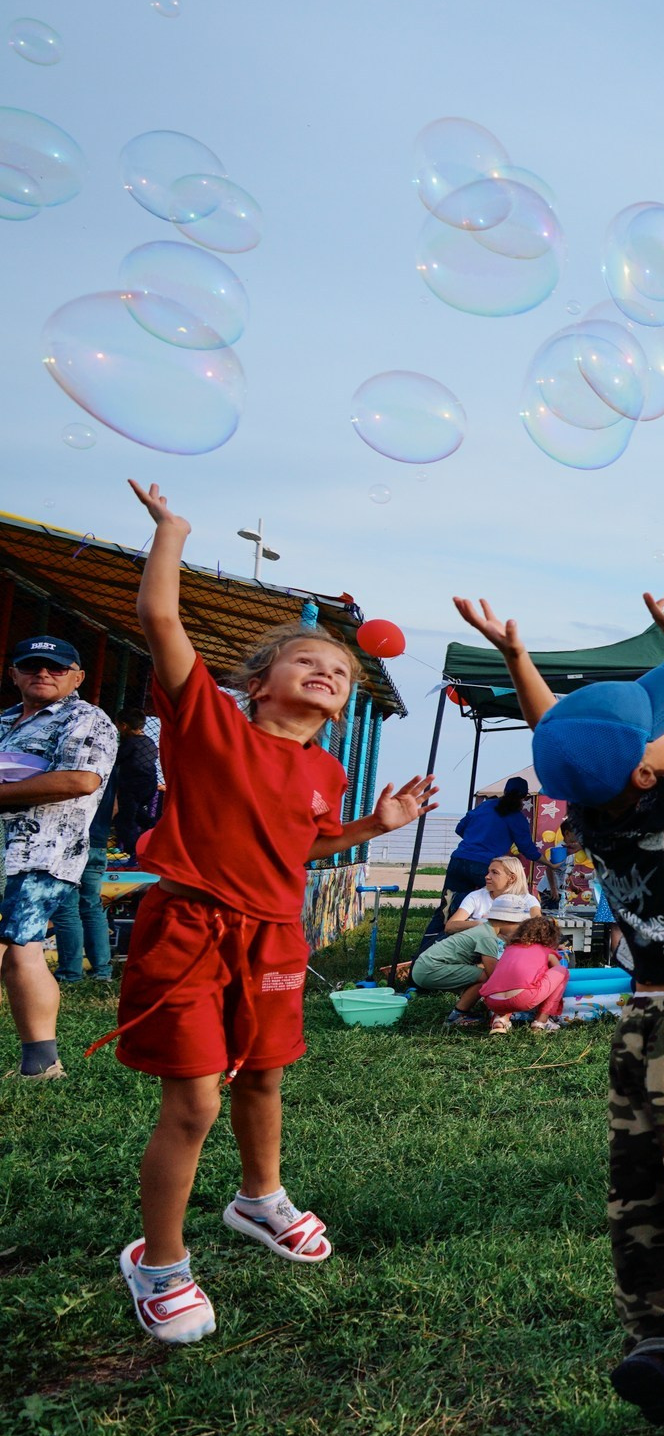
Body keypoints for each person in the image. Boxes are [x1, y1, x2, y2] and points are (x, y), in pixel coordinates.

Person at [458, 584, 664, 1436]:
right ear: (646, 765)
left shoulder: (597, 812)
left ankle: (656, 1339)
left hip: (638, 1029)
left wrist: (517, 660)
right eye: (658, 726)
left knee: (641, 1194)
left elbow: (567, 745)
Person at [112, 482, 435, 1345]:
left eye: (342, 673)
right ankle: (159, 1263)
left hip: (274, 937)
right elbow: (162, 623)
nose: (330, 671)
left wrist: (373, 825)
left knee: (262, 1074)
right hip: (190, 929)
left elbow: (306, 844)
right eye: (310, 661)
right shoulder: (206, 724)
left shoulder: (327, 773)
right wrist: (173, 535)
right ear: (259, 683)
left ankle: (260, 1200)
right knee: (194, 1104)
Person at [3, 634, 118, 1078]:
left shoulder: (86, 719)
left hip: (41, 853)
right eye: (31, 666)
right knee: (23, 952)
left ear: (78, 677)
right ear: (14, 674)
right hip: (5, 852)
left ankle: (42, 1062)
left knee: (13, 946)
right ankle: (41, 1063)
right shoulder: (8, 721)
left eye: (56, 668)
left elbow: (81, 781)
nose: (43, 674)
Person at [50, 703, 153, 985]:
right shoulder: (110, 767)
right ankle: (102, 972)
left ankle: (70, 973)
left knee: (66, 907)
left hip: (68, 841)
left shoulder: (67, 765)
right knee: (92, 905)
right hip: (96, 841)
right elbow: (117, 809)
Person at [412, 890, 542, 1019]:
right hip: (429, 968)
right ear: (506, 921)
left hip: (425, 966)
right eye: (518, 925)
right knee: (486, 977)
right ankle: (459, 1015)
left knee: (480, 975)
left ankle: (465, 1009)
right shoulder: (487, 937)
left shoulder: (486, 929)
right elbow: (494, 974)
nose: (519, 930)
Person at [445, 776, 542, 922]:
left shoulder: (485, 805)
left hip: (458, 860)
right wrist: (550, 863)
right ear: (524, 796)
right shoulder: (516, 817)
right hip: (485, 865)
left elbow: (460, 828)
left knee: (446, 907)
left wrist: (475, 838)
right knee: (498, 907)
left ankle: (432, 940)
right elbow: (527, 849)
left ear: (504, 791)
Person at [480, 907, 569, 1032]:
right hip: (522, 999)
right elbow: (557, 970)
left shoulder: (509, 949)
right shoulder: (546, 951)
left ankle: (500, 1020)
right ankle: (541, 1021)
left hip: (492, 1001)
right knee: (562, 971)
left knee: (510, 979)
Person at [443, 854, 531, 933]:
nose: (487, 877)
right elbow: (450, 926)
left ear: (511, 878)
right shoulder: (476, 896)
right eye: (488, 872)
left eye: (494, 872)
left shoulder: (527, 900)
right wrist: (481, 923)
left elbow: (535, 929)